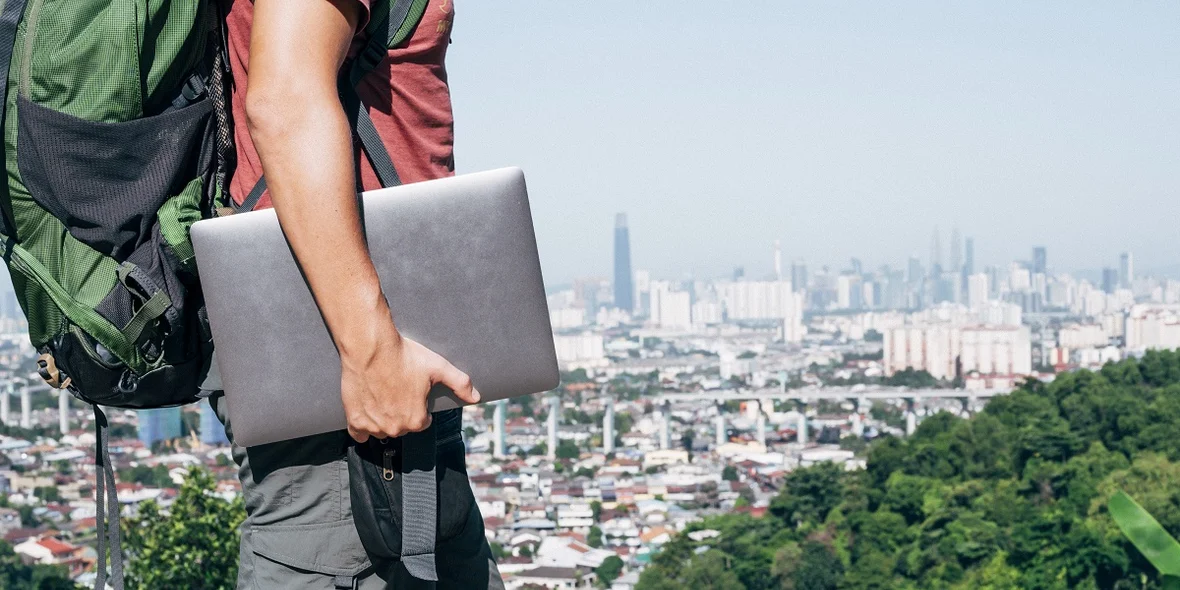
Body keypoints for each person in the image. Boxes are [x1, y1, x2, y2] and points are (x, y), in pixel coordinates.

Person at [205, 0, 506, 587]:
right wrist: (371, 355)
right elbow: (285, 103)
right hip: (334, 338)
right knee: (330, 549)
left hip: (381, 333)